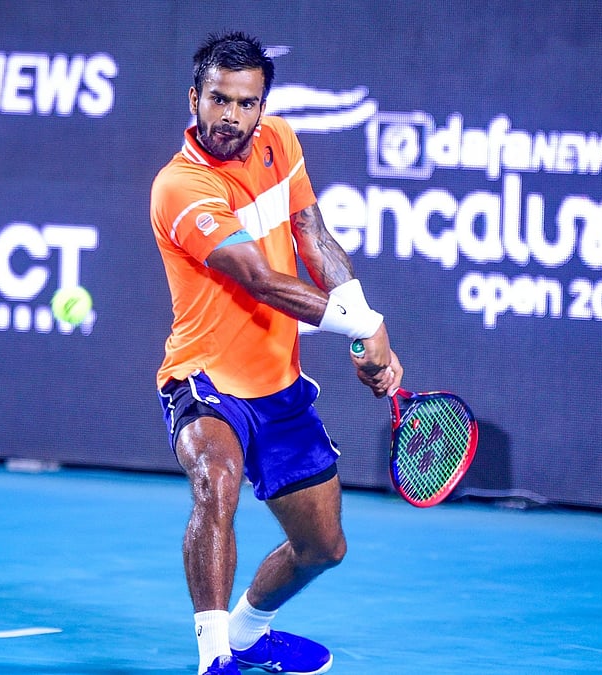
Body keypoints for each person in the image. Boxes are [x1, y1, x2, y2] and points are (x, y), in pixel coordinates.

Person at [150, 32, 403, 675]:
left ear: (262, 105)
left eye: (245, 102)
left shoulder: (279, 141)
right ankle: (215, 660)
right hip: (203, 379)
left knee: (323, 547)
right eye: (218, 99)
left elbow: (313, 236)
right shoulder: (181, 186)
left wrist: (362, 314)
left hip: (279, 383)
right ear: (195, 98)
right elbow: (259, 277)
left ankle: (247, 630)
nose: (230, 116)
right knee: (217, 484)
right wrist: (361, 326)